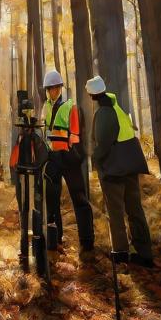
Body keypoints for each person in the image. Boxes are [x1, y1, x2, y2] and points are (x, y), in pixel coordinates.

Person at [86, 76, 154, 268]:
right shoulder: (117, 108)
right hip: (130, 166)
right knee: (135, 210)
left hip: (114, 170)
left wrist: (95, 158)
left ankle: (121, 253)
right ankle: (145, 252)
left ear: (92, 95)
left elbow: (104, 144)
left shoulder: (104, 113)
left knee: (115, 212)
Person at [41, 69, 95, 254]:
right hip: (53, 159)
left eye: (55, 88)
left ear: (61, 88)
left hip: (70, 158)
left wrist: (74, 154)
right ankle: (56, 240)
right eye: (49, 89)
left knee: (79, 199)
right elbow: (45, 131)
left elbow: (75, 135)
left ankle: (87, 242)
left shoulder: (70, 106)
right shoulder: (45, 106)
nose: (52, 91)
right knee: (52, 201)